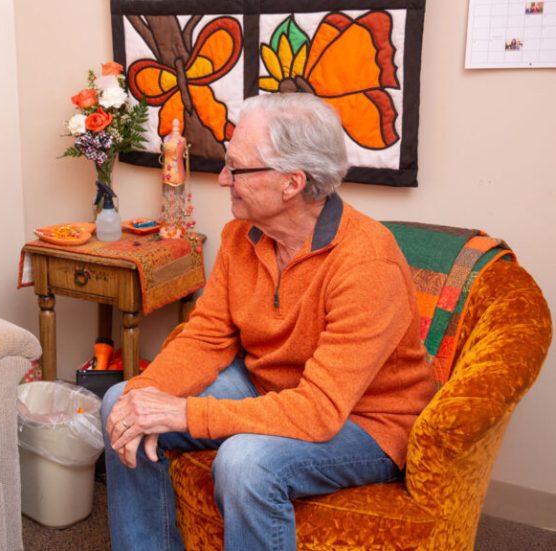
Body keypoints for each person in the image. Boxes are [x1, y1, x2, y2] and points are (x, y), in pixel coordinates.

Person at [101, 93, 437, 551]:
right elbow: (205, 337)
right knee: (121, 402)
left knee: (245, 463)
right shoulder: (241, 235)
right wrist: (145, 397)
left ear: (292, 183)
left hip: (364, 420)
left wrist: (185, 412)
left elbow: (319, 412)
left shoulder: (367, 263)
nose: (222, 180)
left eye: (236, 169)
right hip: (269, 387)